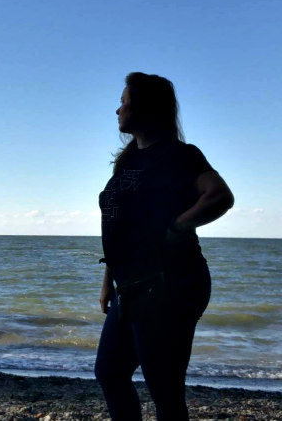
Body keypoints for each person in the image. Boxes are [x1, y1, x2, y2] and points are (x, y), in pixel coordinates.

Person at [94, 72, 234, 421]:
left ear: (145, 107)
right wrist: (108, 279)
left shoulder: (179, 155)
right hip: (129, 285)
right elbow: (120, 224)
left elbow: (219, 196)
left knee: (164, 389)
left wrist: (175, 226)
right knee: (110, 373)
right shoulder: (128, 160)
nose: (117, 110)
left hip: (169, 283)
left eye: (124, 102)